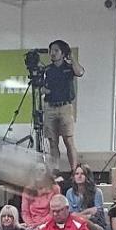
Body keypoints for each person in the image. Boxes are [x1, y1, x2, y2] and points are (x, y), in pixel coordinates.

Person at [41, 39, 84, 172]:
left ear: (63, 53)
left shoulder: (69, 68)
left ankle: (74, 171)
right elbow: (40, 86)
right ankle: (55, 171)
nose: (52, 53)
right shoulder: (47, 70)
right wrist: (43, 90)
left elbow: (80, 72)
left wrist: (72, 58)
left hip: (65, 107)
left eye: (56, 50)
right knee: (52, 141)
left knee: (68, 140)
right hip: (50, 106)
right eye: (51, 51)